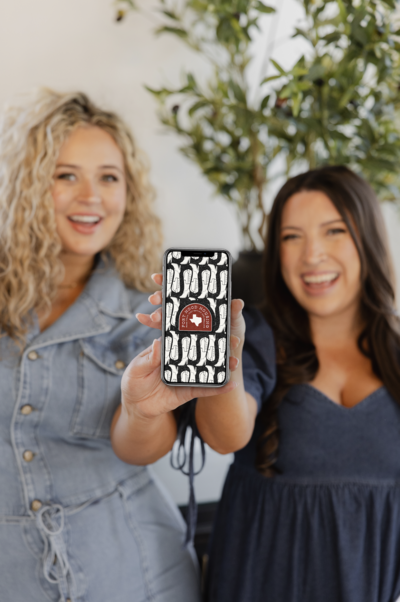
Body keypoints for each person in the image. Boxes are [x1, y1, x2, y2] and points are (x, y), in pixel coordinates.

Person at [133, 165, 400, 602]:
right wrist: (227, 362)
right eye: (291, 237)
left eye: (334, 231)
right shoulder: (257, 337)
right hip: (261, 579)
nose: (311, 254)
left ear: (368, 237)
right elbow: (226, 436)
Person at [0, 88, 201, 602]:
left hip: (135, 574)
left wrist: (140, 410)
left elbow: (143, 448)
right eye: (66, 175)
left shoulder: (151, 309)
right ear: (26, 185)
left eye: (109, 177)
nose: (91, 196)